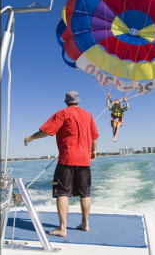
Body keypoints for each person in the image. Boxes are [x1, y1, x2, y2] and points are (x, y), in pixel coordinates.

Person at [24, 91, 99, 237]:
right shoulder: (88, 115)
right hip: (84, 160)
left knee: (62, 193)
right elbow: (94, 136)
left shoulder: (62, 113)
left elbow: (46, 131)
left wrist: (31, 137)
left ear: (66, 101)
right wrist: (94, 151)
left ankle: (62, 228)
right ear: (78, 101)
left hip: (67, 160)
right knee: (85, 193)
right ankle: (85, 224)